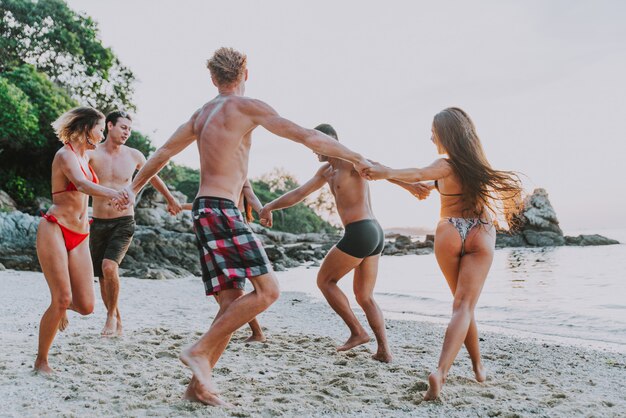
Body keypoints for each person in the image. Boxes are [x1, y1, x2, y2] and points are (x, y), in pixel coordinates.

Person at [125, 47, 372, 406]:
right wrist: (356, 156)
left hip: (203, 211)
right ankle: (199, 351)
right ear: (246, 74)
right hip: (224, 210)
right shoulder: (248, 106)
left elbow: (161, 154)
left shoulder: (200, 114)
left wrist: (132, 190)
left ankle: (197, 388)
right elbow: (307, 136)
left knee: (231, 303)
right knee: (269, 291)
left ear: (213, 78)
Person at [363, 107, 522, 400]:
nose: (431, 136)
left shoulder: (445, 165)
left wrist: (386, 171)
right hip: (481, 231)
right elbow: (421, 183)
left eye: (433, 131)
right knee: (464, 306)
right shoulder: (477, 165)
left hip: (450, 230)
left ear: (445, 134)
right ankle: (464, 369)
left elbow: (421, 172)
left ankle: (459, 370)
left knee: (461, 304)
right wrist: (387, 174)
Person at [260, 123, 397, 362]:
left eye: (316, 142)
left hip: (363, 230)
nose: (313, 147)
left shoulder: (351, 161)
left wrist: (411, 185)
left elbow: (382, 170)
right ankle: (384, 351)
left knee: (325, 281)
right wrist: (270, 206)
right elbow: (299, 194)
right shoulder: (326, 171)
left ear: (329, 140)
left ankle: (357, 332)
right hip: (372, 232)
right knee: (364, 296)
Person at [34, 107, 129, 373]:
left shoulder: (86, 156)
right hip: (55, 228)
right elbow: (82, 185)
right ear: (87, 128)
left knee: (86, 306)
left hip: (81, 234)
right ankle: (42, 360)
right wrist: (115, 193)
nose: (101, 135)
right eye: (100, 129)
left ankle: (60, 305)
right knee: (62, 297)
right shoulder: (65, 155)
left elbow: (115, 162)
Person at [87, 110, 182, 337]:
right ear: (109, 126)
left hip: (124, 221)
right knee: (102, 275)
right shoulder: (92, 153)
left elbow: (153, 176)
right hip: (98, 221)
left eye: (129, 129)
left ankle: (110, 318)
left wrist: (170, 198)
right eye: (123, 127)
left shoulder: (134, 155)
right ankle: (116, 317)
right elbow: (79, 181)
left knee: (110, 266)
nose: (127, 133)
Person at [181, 179, 266, 343]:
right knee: (219, 288)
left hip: (231, 227)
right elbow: (210, 204)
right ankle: (251, 332)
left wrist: (264, 211)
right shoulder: (217, 177)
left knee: (233, 289)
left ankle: (254, 333)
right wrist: (181, 206)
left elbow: (252, 197)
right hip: (216, 228)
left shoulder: (239, 175)